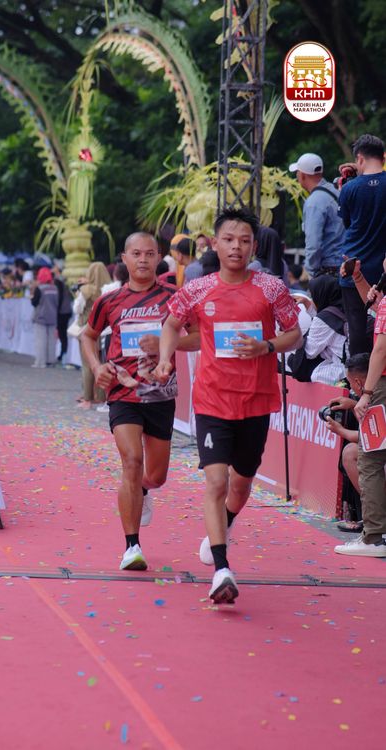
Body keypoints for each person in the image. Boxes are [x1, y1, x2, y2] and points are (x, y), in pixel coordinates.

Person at [154, 208, 302, 604]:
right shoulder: (198, 289)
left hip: (256, 400)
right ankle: (222, 570)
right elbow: (171, 324)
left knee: (241, 483)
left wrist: (266, 346)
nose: (237, 247)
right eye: (229, 239)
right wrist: (166, 359)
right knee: (216, 482)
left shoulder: (271, 288)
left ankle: (227, 521)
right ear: (215, 244)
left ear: (254, 247)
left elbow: (294, 333)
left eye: (244, 241)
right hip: (212, 399)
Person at [81, 232, 199, 571]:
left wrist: (166, 343)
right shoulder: (109, 300)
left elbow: (199, 337)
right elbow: (88, 335)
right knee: (131, 461)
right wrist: (97, 367)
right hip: (123, 392)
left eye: (149, 253)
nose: (143, 259)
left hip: (160, 392)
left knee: (156, 476)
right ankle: (131, 546)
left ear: (159, 257)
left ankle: (144, 491)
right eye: (136, 254)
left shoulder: (175, 297)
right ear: (124, 258)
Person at [334, 278, 386, 557]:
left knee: (370, 459)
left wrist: (366, 393)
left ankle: (374, 537)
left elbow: (381, 349)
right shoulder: (382, 304)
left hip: (381, 387)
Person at [338, 134, 386, 355]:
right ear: (383, 157)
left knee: (356, 331)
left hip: (354, 265)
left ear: (359, 158)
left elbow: (347, 223)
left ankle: (359, 374)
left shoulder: (349, 189)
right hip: (382, 271)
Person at [325, 353, 371, 533]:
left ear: (358, 382)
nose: (350, 388)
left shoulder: (379, 395)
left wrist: (340, 431)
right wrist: (353, 404)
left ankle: (377, 515)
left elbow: (372, 437)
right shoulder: (374, 391)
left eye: (350, 383)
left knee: (350, 452)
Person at [288, 153, 344, 278]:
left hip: (329, 271)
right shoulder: (336, 191)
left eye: (297, 172)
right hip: (344, 266)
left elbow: (313, 244)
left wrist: (311, 271)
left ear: (302, 175)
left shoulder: (313, 202)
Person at [74, 262, 111, 408]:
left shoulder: (86, 289)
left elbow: (77, 309)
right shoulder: (110, 289)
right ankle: (101, 396)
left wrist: (79, 291)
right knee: (101, 363)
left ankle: (87, 398)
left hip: (88, 330)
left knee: (88, 365)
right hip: (104, 330)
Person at [304, 275, 347, 385]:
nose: (312, 300)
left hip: (344, 371)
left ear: (321, 295)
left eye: (313, 296)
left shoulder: (324, 318)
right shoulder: (348, 307)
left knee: (304, 368)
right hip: (363, 365)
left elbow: (310, 352)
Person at [30, 267, 59, 368]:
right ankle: (50, 360)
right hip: (53, 316)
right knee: (52, 340)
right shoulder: (55, 288)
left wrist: (32, 296)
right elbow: (57, 302)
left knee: (40, 340)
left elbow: (34, 302)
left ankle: (40, 362)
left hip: (41, 317)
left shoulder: (40, 288)